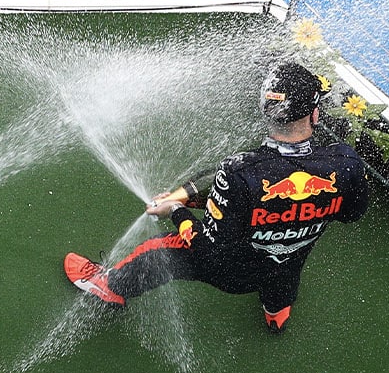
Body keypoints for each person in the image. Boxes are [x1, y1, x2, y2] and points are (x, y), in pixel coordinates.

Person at [62, 62, 368, 334]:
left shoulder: (239, 172)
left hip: (230, 274)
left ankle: (109, 288)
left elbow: (209, 249)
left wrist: (177, 210)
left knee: (159, 249)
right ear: (314, 114)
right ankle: (276, 314)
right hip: (285, 268)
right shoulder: (346, 165)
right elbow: (352, 213)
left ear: (266, 110)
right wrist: (300, 216)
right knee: (284, 269)